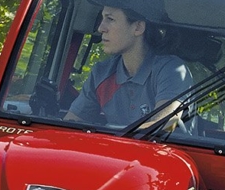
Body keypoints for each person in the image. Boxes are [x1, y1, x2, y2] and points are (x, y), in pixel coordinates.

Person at [65, 0, 193, 128]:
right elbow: (69, 125)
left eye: (110, 19)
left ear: (138, 28)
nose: (101, 28)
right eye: (102, 18)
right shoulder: (101, 73)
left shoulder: (172, 71)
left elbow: (164, 126)